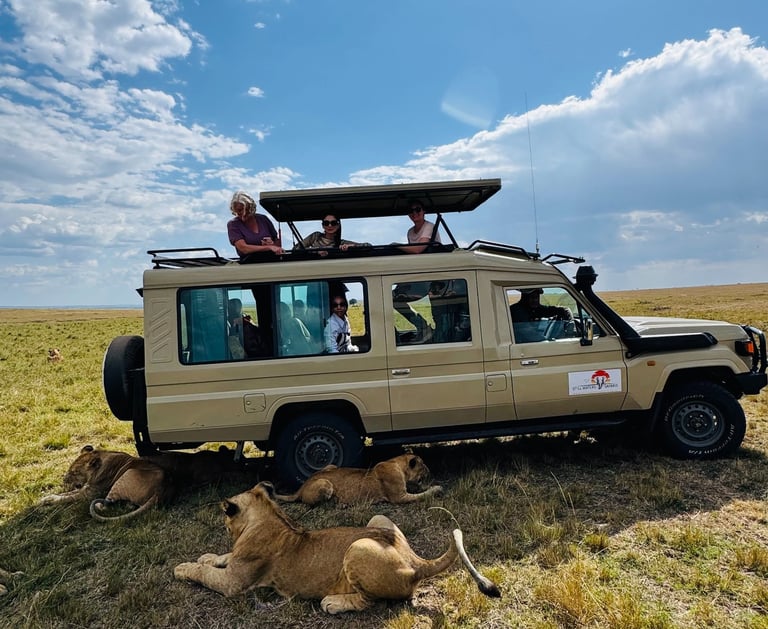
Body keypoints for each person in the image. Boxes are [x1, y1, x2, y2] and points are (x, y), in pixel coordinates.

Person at [227, 190, 284, 259]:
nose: (244, 213)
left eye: (246, 209)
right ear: (234, 210)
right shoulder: (233, 224)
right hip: (249, 262)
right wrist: (268, 247)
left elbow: (277, 244)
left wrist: (272, 244)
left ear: (251, 208)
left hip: (271, 259)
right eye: (239, 210)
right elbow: (244, 248)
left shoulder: (263, 219)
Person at [294, 214, 370, 255]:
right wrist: (317, 251)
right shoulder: (315, 236)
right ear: (323, 226)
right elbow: (296, 249)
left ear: (338, 225)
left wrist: (352, 246)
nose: (330, 226)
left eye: (333, 223)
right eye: (326, 223)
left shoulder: (341, 243)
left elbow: (368, 246)